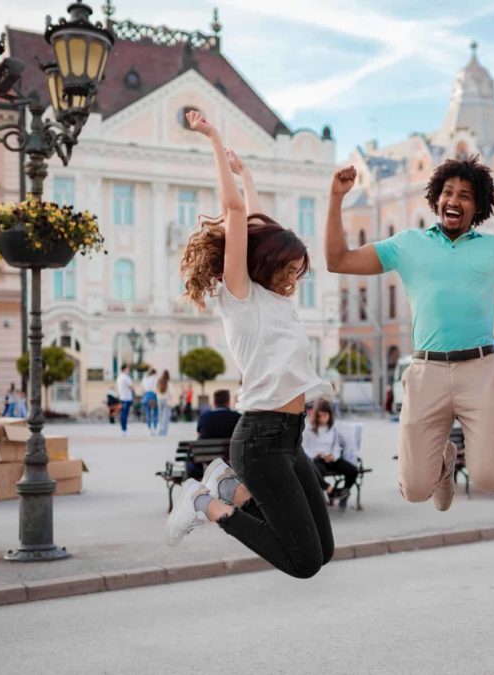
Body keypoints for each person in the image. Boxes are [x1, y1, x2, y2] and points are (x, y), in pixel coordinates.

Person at [325, 156, 494, 512]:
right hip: (427, 371)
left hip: (480, 369)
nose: (453, 201)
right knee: (413, 490)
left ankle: (457, 457)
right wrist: (336, 198)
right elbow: (338, 261)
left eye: (465, 195)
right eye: (447, 192)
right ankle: (443, 464)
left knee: (489, 479)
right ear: (436, 199)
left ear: (478, 206)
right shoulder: (408, 244)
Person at [167, 110, 334, 581]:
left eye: (300, 272)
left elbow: (259, 221)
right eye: (290, 270)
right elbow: (238, 215)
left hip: (289, 437)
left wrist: (250, 174)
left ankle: (229, 490)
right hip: (259, 439)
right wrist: (215, 141)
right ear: (269, 264)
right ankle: (204, 501)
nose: (295, 279)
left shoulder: (275, 301)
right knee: (302, 563)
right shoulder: (239, 295)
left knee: (323, 551)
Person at [302, 399, 359, 502]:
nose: (323, 419)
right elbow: (305, 448)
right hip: (317, 459)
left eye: (325, 416)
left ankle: (343, 493)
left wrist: (333, 456)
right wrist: (316, 455)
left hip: (331, 458)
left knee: (353, 470)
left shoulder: (333, 428)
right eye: (320, 416)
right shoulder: (309, 429)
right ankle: (329, 492)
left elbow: (336, 446)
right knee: (318, 472)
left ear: (330, 415)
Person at [116, 369, 134, 435]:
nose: (129, 370)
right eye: (127, 369)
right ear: (124, 369)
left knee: (122, 414)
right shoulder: (126, 377)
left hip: (121, 398)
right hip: (127, 398)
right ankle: (124, 430)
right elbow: (131, 387)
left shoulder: (119, 377)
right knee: (124, 414)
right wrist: (133, 392)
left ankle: (123, 429)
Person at [141, 368, 159, 434]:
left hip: (146, 396)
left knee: (147, 413)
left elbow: (142, 388)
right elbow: (156, 388)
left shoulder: (144, 378)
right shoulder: (155, 378)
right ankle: (155, 428)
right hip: (153, 395)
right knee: (155, 412)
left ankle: (149, 428)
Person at [156, 370, 173, 437]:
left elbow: (155, 390)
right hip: (166, 400)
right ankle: (164, 431)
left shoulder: (159, 382)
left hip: (159, 399)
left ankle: (160, 430)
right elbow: (171, 393)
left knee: (160, 415)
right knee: (165, 416)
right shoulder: (168, 383)